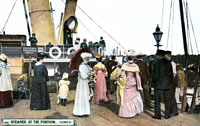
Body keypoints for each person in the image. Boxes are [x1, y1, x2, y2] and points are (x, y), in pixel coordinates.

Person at [118, 50, 143, 118]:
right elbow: (138, 76)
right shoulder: (135, 65)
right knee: (134, 96)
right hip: (133, 82)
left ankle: (126, 113)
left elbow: (122, 75)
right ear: (133, 58)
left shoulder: (124, 65)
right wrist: (139, 85)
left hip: (127, 82)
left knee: (126, 97)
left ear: (127, 57)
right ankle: (134, 111)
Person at [152, 50, 173, 119]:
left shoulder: (157, 63)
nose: (157, 57)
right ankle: (167, 115)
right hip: (167, 85)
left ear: (159, 56)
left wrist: (153, 83)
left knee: (157, 100)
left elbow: (155, 74)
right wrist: (170, 83)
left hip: (158, 84)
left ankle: (158, 115)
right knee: (167, 100)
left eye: (157, 55)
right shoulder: (169, 63)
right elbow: (171, 75)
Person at [165, 50, 179, 117]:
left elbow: (174, 73)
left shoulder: (172, 63)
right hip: (170, 81)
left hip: (172, 81)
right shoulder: (169, 62)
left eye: (165, 56)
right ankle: (172, 110)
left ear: (168, 56)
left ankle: (174, 111)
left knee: (171, 95)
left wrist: (170, 81)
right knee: (170, 95)